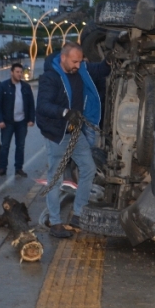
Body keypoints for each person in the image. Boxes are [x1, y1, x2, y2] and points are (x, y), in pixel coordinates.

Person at [36, 42, 110, 238]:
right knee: (55, 178)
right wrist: (65, 112)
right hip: (57, 135)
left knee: (89, 168)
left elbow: (101, 69)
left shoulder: (81, 70)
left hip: (76, 133)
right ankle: (55, 222)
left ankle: (78, 213)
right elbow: (43, 105)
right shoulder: (50, 78)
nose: (79, 65)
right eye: (75, 61)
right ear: (63, 58)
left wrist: (110, 60)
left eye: (80, 60)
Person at [0, 62, 34, 177]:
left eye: (21, 72)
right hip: (7, 122)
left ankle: (19, 168)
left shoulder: (26, 87)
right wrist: (0, 120)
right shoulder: (3, 86)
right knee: (5, 145)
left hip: (21, 122)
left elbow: (31, 104)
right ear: (11, 72)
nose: (19, 74)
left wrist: (31, 119)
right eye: (17, 72)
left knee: (20, 146)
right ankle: (2, 167)